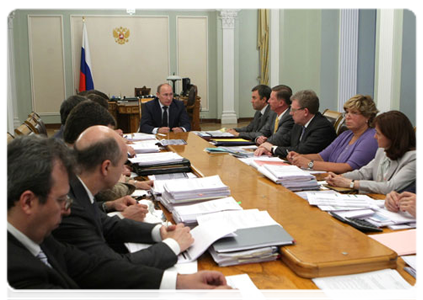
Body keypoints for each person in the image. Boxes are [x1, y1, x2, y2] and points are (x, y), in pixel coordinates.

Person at [5, 135, 241, 300]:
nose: (67, 209)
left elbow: (94, 270)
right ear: (27, 202)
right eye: (60, 200)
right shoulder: (12, 273)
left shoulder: (34, 235)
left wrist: (180, 282)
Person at [53, 125, 193, 270]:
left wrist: (159, 232)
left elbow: (106, 224)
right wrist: (173, 245)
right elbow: (112, 267)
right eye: (122, 164)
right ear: (106, 167)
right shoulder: (69, 206)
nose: (124, 171)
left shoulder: (79, 185)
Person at [63, 100, 150, 220]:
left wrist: (108, 205)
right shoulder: (66, 174)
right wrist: (123, 217)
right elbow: (82, 222)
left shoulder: (68, 157)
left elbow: (88, 207)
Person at [326, 111, 420, 194]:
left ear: (392, 136)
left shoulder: (415, 158)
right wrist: (338, 177)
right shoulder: (382, 150)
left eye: (378, 134)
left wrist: (351, 184)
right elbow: (363, 173)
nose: (374, 137)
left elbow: (390, 187)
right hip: (376, 200)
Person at [288, 95, 379, 173]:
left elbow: (348, 167)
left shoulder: (371, 137)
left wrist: (309, 164)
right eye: (347, 112)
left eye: (354, 113)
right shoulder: (346, 134)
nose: (347, 116)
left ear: (368, 116)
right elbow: (321, 157)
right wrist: (299, 157)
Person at [255, 89, 336, 159]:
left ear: (305, 112)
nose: (290, 113)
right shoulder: (300, 123)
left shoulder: (322, 127)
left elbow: (301, 151)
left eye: (293, 110)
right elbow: (284, 139)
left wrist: (272, 148)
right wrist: (265, 146)